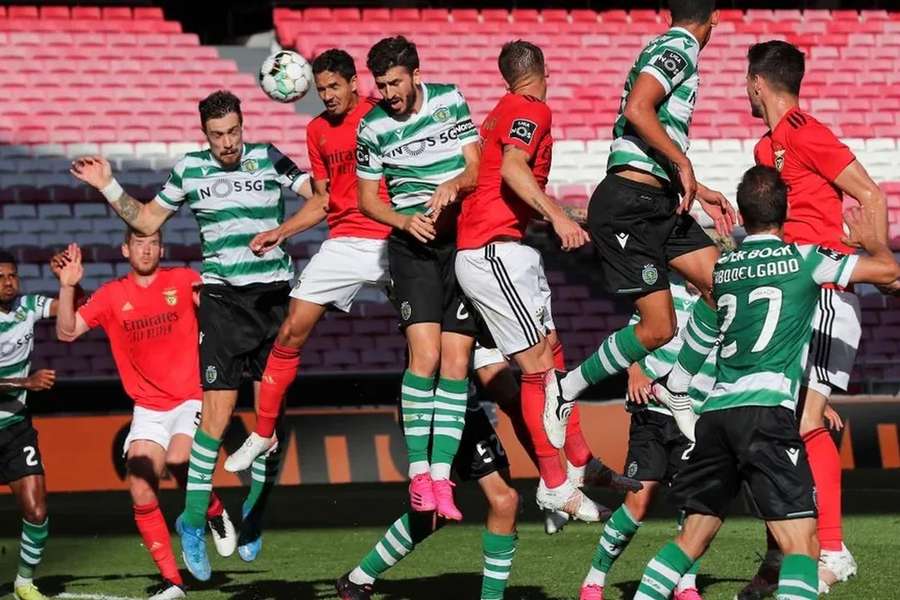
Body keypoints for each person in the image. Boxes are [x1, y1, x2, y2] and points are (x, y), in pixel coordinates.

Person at [69, 90, 318, 580]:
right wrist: (108, 185)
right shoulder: (190, 170)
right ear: (204, 134)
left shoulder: (269, 157)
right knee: (217, 417)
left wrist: (282, 232)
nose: (227, 143)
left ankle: (256, 511)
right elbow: (144, 220)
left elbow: (322, 199)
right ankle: (191, 524)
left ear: (243, 125)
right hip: (224, 301)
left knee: (271, 425)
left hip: (273, 299)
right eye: (217, 135)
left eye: (233, 132)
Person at [632, 165, 899, 600]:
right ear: (786, 211)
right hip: (766, 413)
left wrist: (676, 384)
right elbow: (887, 273)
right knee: (803, 545)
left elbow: (699, 334)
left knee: (692, 538)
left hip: (716, 415)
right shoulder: (806, 257)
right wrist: (871, 242)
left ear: (743, 213)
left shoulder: (722, 269)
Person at [738, 40, 892, 597]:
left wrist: (879, 255)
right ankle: (787, 552)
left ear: (758, 82)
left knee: (805, 420)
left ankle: (832, 550)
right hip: (792, 291)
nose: (745, 92)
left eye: (745, 82)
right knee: (790, 424)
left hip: (827, 289)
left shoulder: (808, 131)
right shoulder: (766, 148)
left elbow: (869, 193)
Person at [552, 0, 735, 444]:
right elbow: (638, 109)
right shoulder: (681, 47)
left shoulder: (668, 45)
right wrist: (683, 163)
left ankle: (677, 386)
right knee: (658, 330)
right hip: (630, 204)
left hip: (659, 198)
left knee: (721, 285)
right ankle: (566, 389)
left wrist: (696, 183)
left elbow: (650, 134)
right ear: (715, 16)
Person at [454, 39, 610, 523]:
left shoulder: (502, 108)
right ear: (543, 69)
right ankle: (554, 483)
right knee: (538, 367)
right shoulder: (530, 109)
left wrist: (551, 216)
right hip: (492, 250)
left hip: (504, 245)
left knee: (551, 348)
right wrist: (558, 216)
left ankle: (579, 458)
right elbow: (515, 170)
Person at [223, 48, 392, 471]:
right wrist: (279, 232)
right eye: (321, 89)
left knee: (439, 339)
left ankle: (479, 409)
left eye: (334, 86)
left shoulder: (383, 116)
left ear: (355, 83)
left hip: (395, 236)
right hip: (345, 241)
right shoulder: (317, 130)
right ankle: (263, 434)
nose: (328, 96)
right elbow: (322, 200)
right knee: (291, 329)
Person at [54, 233, 238, 599]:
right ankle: (173, 582)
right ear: (125, 249)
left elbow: (220, 314)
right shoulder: (110, 295)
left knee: (180, 459)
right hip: (148, 409)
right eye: (138, 243)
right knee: (139, 489)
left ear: (162, 248)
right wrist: (66, 287)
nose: (146, 248)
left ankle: (214, 512)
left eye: (153, 242)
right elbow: (67, 331)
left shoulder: (183, 280)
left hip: (190, 397)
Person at [356, 36, 482, 520]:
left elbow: (475, 166)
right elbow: (368, 200)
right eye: (381, 84)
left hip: (460, 247)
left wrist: (454, 184)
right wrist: (404, 220)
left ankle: (444, 478)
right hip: (412, 248)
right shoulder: (372, 126)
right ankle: (418, 475)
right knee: (425, 356)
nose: (388, 92)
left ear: (414, 73)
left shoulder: (450, 99)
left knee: (457, 361)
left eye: (395, 82)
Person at [579, 282, 714, 600]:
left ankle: (686, 584)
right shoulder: (667, 293)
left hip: (696, 418)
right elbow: (634, 339)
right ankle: (594, 578)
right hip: (653, 412)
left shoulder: (723, 301)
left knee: (693, 505)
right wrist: (635, 373)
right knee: (638, 501)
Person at [0, 251, 61, 600]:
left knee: (37, 511)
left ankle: (24, 582)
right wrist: (26, 383)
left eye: (13, 276)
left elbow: (73, 311)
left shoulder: (28, 306)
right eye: (1, 277)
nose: (9, 283)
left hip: (17, 428)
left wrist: (69, 284)